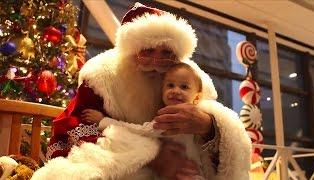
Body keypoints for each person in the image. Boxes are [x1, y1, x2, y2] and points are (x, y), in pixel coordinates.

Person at [45, 2, 251, 180]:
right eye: (147, 52)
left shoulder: (188, 76)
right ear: (132, 50)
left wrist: (208, 126)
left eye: (166, 53)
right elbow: (74, 127)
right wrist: (152, 156)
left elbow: (224, 129)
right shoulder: (100, 78)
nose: (155, 63)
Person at [81, 63, 212, 179]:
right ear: (162, 90)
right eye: (170, 85)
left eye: (184, 87)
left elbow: (138, 130)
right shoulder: (165, 114)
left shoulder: (194, 115)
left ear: (197, 96)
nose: (175, 91)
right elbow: (143, 131)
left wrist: (103, 121)